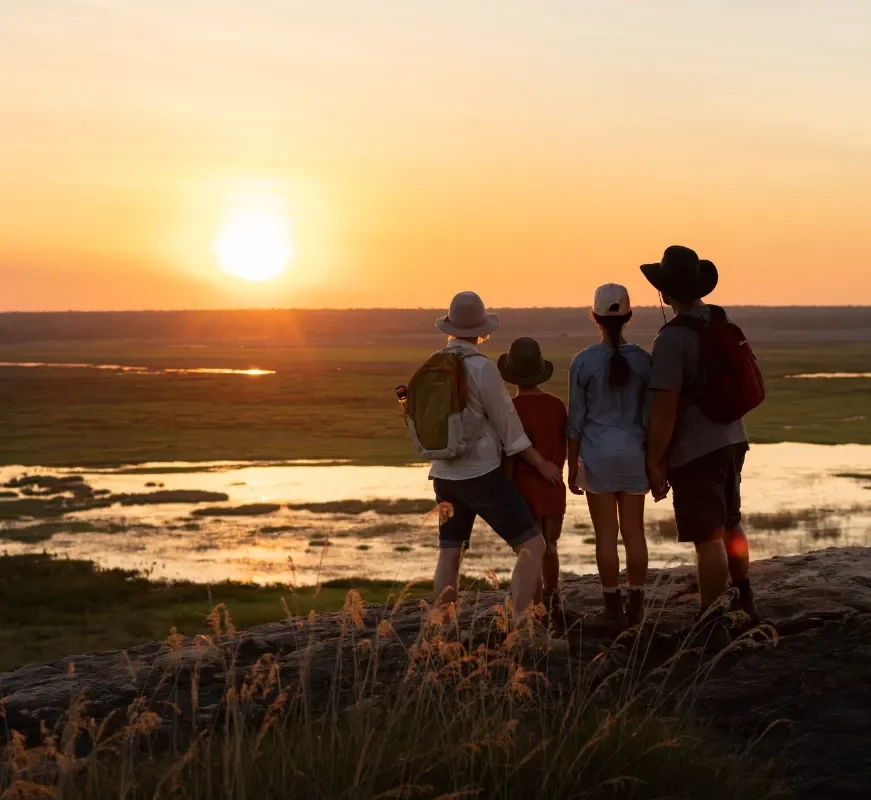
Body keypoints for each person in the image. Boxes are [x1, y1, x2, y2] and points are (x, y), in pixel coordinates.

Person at [426, 291, 567, 649]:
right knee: (533, 546)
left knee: (450, 551)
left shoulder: (433, 364)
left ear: (451, 327)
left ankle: (443, 632)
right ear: (481, 330)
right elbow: (510, 429)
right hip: (481, 476)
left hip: (443, 474)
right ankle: (522, 633)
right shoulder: (482, 367)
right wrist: (542, 464)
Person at [641, 245, 761, 636]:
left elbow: (664, 410)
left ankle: (711, 618)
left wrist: (655, 460)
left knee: (707, 538)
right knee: (730, 522)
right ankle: (743, 597)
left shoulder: (671, 341)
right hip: (733, 438)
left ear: (664, 293)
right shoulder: (720, 321)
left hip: (696, 449)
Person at [566, 284, 651, 628]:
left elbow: (576, 421)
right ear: (629, 317)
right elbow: (650, 418)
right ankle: (637, 607)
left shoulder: (583, 361)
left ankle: (612, 609)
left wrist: (572, 466)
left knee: (606, 534)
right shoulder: (645, 360)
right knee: (634, 532)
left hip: (598, 457)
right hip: (635, 455)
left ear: (594, 318)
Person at [497, 337, 568, 626]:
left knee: (530, 552)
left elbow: (510, 458)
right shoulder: (556, 405)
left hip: (523, 492)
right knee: (550, 547)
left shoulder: (510, 408)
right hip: (553, 490)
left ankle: (537, 611)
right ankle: (553, 599)